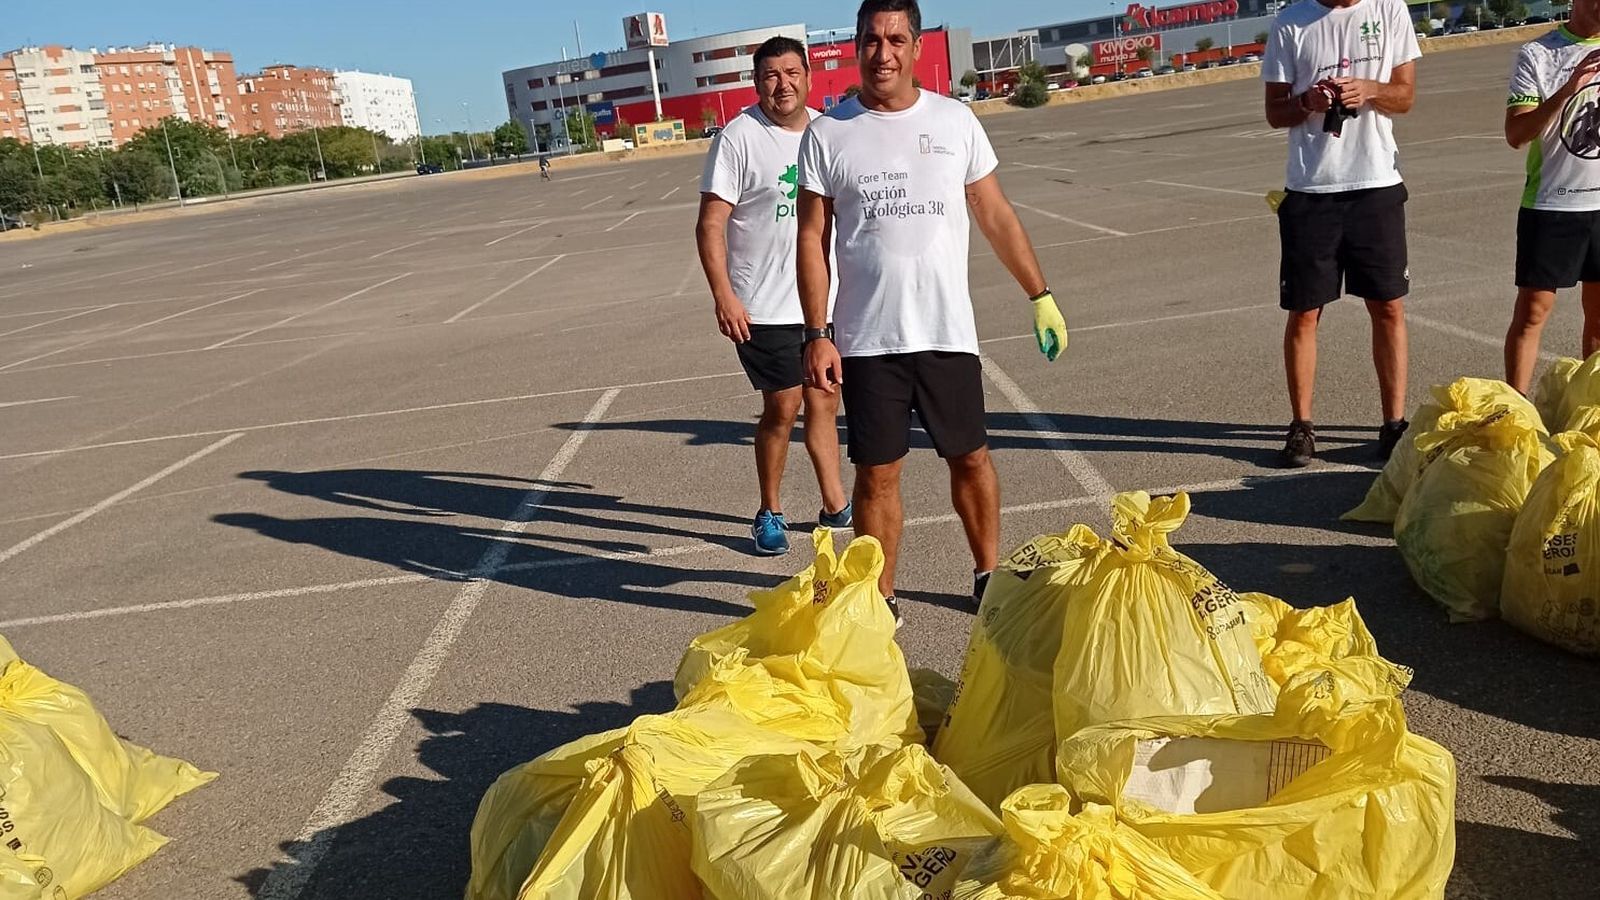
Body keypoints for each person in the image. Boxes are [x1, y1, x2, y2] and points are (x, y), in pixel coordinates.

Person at [797, 0, 1068, 625]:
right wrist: (817, 333)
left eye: (896, 39)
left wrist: (1040, 294)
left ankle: (986, 576)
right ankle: (880, 600)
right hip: (867, 340)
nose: (882, 53)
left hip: (946, 330)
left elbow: (994, 213)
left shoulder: (955, 121)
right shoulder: (829, 133)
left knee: (970, 456)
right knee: (877, 476)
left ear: (917, 45)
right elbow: (811, 240)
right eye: (871, 39)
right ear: (856, 46)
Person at [696, 35, 852, 556]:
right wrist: (724, 294)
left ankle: (834, 506)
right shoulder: (739, 137)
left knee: (825, 401)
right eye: (769, 76)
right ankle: (770, 510)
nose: (781, 84)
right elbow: (710, 223)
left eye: (791, 73)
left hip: (820, 301)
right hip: (763, 304)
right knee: (783, 407)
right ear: (757, 82)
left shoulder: (828, 132)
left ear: (808, 76)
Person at [1261, 0, 1420, 467]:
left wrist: (1370, 90)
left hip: (1376, 185)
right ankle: (1302, 427)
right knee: (1304, 312)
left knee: (1388, 305)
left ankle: (1394, 425)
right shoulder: (1291, 21)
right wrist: (1307, 102)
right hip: (1312, 190)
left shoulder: (1390, 10)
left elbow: (1406, 96)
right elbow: (1274, 111)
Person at [1503, 6, 1600, 394]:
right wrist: (1568, 88)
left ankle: (1592, 406)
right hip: (1553, 204)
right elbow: (1516, 132)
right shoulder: (1539, 54)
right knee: (1532, 313)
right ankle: (1516, 409)